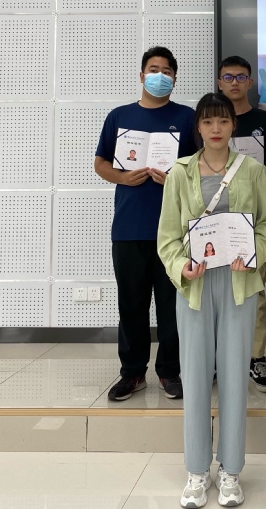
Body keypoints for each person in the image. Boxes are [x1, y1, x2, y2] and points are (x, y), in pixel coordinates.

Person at [157, 93, 266, 508]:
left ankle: (230, 471)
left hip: (238, 282)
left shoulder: (252, 170)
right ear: (198, 127)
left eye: (222, 121)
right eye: (207, 122)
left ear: (232, 125)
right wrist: (181, 267)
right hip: (195, 284)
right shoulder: (180, 173)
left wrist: (254, 253)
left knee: (232, 377)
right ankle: (196, 471)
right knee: (194, 377)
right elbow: (167, 236)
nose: (215, 128)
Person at [95, 46, 196, 402]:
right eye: (153, 70)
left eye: (166, 71)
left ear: (175, 78)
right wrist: (123, 177)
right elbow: (101, 163)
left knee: (172, 307)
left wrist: (176, 180)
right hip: (129, 228)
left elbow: (199, 167)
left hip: (174, 231)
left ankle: (170, 371)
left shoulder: (187, 118)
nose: (159, 76)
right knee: (131, 305)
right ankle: (132, 372)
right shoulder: (119, 116)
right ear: (141, 75)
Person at [217, 55, 266, 394]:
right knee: (214, 291)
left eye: (241, 77)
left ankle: (256, 357)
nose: (235, 82)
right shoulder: (210, 118)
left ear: (251, 83)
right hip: (213, 219)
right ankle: (215, 359)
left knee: (254, 292)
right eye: (228, 77)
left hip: (252, 220)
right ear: (220, 82)